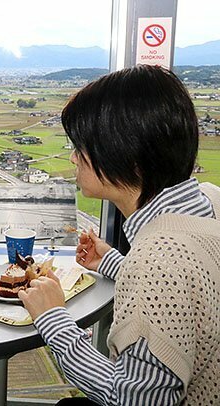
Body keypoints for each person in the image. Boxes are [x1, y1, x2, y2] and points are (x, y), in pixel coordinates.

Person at [18, 64, 220, 405]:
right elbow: (188, 297)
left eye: (82, 147)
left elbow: (134, 399)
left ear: (127, 156)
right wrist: (113, 262)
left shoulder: (158, 259)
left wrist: (53, 317)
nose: (72, 157)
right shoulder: (209, 201)